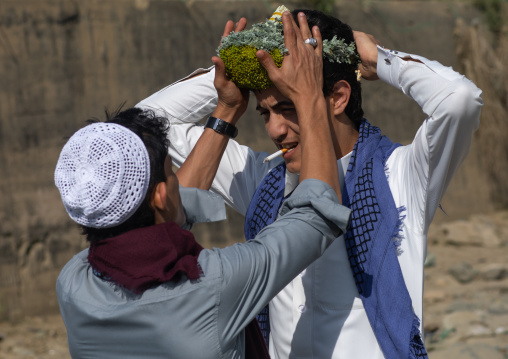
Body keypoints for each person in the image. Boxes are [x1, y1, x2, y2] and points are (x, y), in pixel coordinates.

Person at [136, 9, 483, 359]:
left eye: (288, 106)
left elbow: (460, 102)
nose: (274, 131)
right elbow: (143, 126)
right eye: (265, 113)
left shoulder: (400, 176)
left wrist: (377, 58)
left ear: (339, 98)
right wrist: (243, 63)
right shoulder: (263, 180)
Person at [54, 14, 352, 359]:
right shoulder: (213, 284)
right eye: (171, 174)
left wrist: (226, 109)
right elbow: (315, 215)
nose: (276, 130)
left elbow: (169, 215)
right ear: (163, 196)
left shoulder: (73, 282)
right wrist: (309, 96)